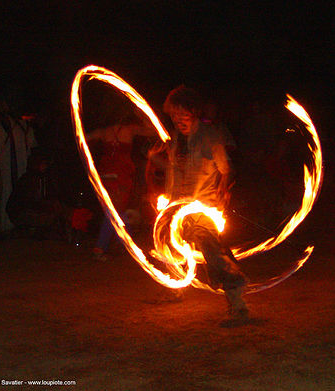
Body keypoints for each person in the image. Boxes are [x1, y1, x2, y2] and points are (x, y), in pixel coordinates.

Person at [149, 85, 249, 323]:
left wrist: (224, 194)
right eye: (173, 115)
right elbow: (173, 169)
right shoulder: (175, 140)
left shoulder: (210, 136)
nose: (177, 119)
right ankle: (175, 289)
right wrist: (154, 159)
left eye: (181, 114)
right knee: (171, 249)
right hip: (176, 207)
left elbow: (227, 170)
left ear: (193, 111)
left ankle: (239, 305)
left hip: (201, 207)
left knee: (214, 255)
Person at [86, 108, 156, 261]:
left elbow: (82, 138)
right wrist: (142, 115)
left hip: (106, 176)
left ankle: (127, 245)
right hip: (122, 176)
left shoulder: (103, 132)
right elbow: (152, 131)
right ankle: (100, 247)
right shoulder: (129, 130)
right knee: (113, 212)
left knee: (118, 210)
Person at [0, 98, 37, 235]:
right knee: (18, 195)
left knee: (6, 193)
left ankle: (7, 225)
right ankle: (18, 225)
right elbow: (32, 145)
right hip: (22, 169)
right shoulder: (25, 125)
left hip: (7, 167)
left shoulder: (1, 124)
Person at [6, 150, 70, 238]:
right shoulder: (29, 179)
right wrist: (49, 206)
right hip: (20, 214)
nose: (45, 167)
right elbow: (30, 203)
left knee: (57, 211)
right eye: (43, 164)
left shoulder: (41, 178)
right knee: (51, 217)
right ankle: (27, 231)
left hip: (29, 211)